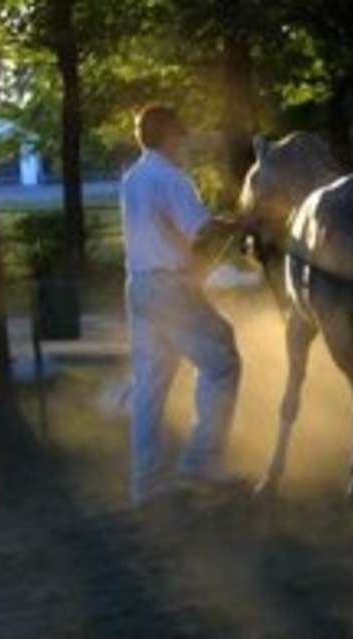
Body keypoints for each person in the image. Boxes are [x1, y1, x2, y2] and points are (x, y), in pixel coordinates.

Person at [121, 104, 254, 506]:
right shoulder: (171, 178)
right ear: (168, 135)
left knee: (149, 386)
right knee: (222, 361)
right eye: (181, 135)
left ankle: (147, 485)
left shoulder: (132, 177)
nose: (185, 143)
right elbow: (200, 230)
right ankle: (202, 460)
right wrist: (244, 222)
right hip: (169, 288)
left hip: (139, 286)